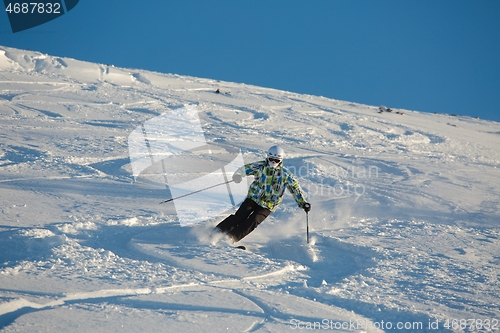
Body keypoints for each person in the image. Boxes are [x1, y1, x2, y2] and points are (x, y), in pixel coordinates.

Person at [214, 145, 311, 243]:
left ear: (281, 161)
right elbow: (245, 168)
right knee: (240, 216)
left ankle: (231, 238)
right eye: (271, 159)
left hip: (269, 204)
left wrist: (303, 203)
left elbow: (295, 189)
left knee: (253, 221)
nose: (273, 162)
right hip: (254, 197)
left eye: (276, 160)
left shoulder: (285, 174)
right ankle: (217, 231)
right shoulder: (260, 166)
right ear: (268, 157)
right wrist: (238, 175)